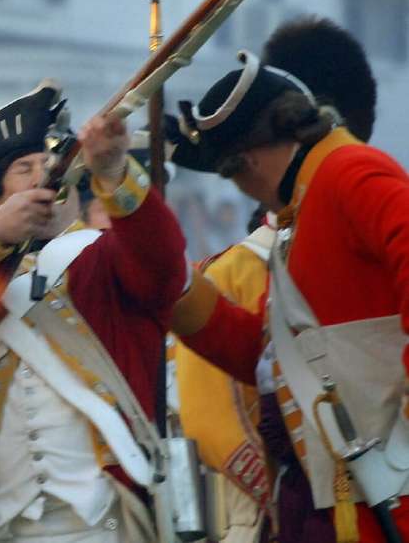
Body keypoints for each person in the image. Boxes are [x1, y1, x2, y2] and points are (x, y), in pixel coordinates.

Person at [0, 81, 188, 542]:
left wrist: (113, 170)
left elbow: (163, 263)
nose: (43, 176)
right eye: (23, 168)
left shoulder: (103, 258)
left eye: (51, 164)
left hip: (103, 518)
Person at [170, 48, 409, 542]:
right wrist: (173, 290)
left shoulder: (350, 173)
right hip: (357, 494)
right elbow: (264, 357)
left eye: (233, 172)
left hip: (393, 485)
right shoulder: (298, 216)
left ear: (251, 158)